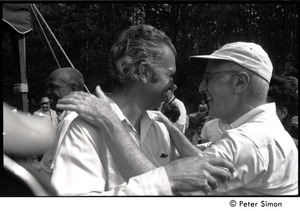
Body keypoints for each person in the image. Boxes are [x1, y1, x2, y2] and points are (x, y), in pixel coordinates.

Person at [51, 24, 235, 196]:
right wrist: (163, 180)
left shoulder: (160, 128)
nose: (173, 85)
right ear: (142, 72)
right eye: (169, 75)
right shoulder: (82, 125)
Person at [154, 41, 297, 195]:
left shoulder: (246, 142)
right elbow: (202, 160)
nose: (201, 87)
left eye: (208, 78)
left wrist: (122, 130)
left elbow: (159, 194)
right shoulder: (266, 132)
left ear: (239, 82)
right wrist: (170, 127)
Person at [36, 67, 85, 180]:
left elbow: (59, 168)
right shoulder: (75, 116)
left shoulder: (70, 120)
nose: (48, 92)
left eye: (53, 87)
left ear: (73, 88)